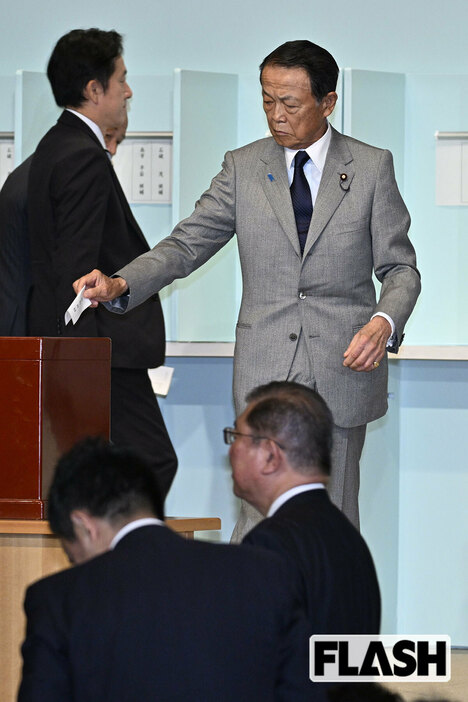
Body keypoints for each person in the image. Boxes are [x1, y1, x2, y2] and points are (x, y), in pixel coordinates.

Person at [73, 39, 421, 538]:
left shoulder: (370, 168)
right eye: (266, 100)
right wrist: (122, 281)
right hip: (265, 372)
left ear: (328, 103)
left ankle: (327, 618)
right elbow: (185, 244)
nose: (276, 116)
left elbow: (401, 269)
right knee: (259, 524)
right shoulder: (243, 167)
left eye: (290, 104)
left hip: (343, 371)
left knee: (335, 523)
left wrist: (384, 321)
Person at [18, 438, 311, 702]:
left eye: (73, 557)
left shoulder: (57, 600)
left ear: (83, 525)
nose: (79, 567)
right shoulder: (267, 574)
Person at [27, 28, 177, 497]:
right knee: (151, 462)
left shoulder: (56, 146)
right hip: (99, 357)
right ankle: (118, 562)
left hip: (83, 355)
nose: (128, 90)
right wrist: (80, 372)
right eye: (121, 79)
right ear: (95, 90)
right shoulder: (81, 156)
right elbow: (76, 275)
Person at [226, 380, 381, 636]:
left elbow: (251, 653)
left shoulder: (270, 542)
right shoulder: (349, 537)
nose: (231, 450)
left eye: (236, 437)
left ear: (269, 455)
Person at [0, 124, 125, 337]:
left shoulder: (30, 174)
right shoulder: (71, 172)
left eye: (117, 142)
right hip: (24, 325)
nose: (111, 150)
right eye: (108, 137)